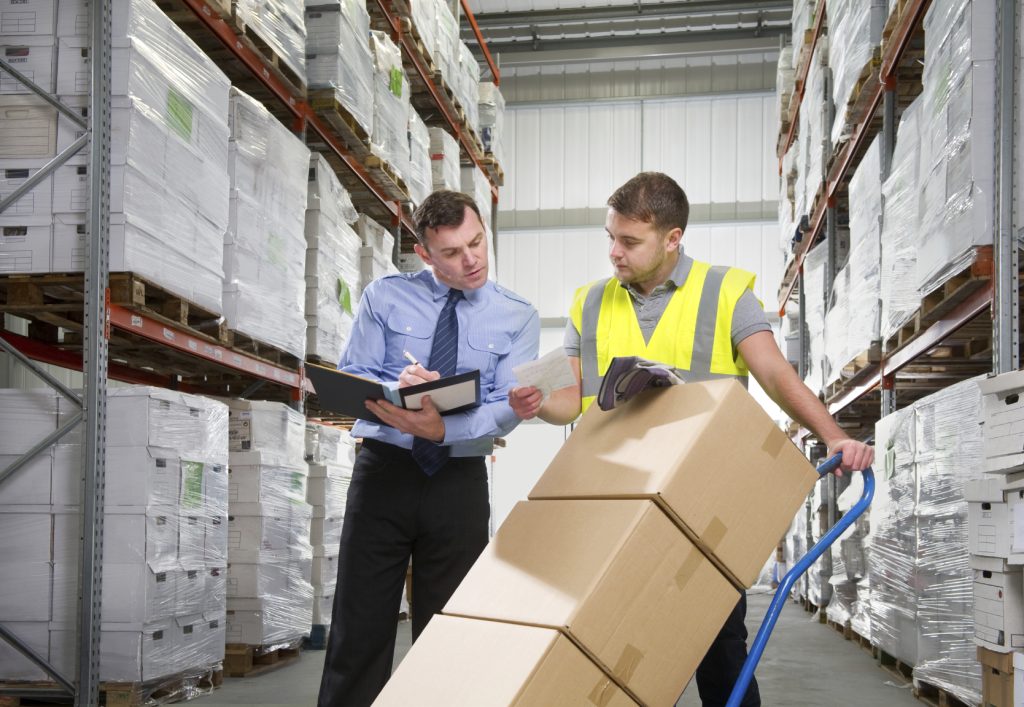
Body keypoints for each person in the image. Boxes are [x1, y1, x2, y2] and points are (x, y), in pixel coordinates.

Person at [509, 172, 874, 707]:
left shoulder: (726, 292)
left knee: (718, 645)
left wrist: (835, 436)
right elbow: (571, 396)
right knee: (607, 640)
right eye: (610, 237)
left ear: (673, 238)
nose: (615, 252)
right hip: (612, 493)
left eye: (629, 241)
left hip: (702, 498)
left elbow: (775, 375)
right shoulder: (589, 303)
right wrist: (537, 404)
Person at [317, 190, 540, 707]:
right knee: (360, 628)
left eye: (477, 243)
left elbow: (505, 405)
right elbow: (357, 375)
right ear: (424, 254)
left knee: (449, 637)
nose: (472, 260)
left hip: (458, 480)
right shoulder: (384, 297)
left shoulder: (517, 316)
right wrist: (400, 382)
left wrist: (444, 431)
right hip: (383, 475)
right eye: (453, 253)